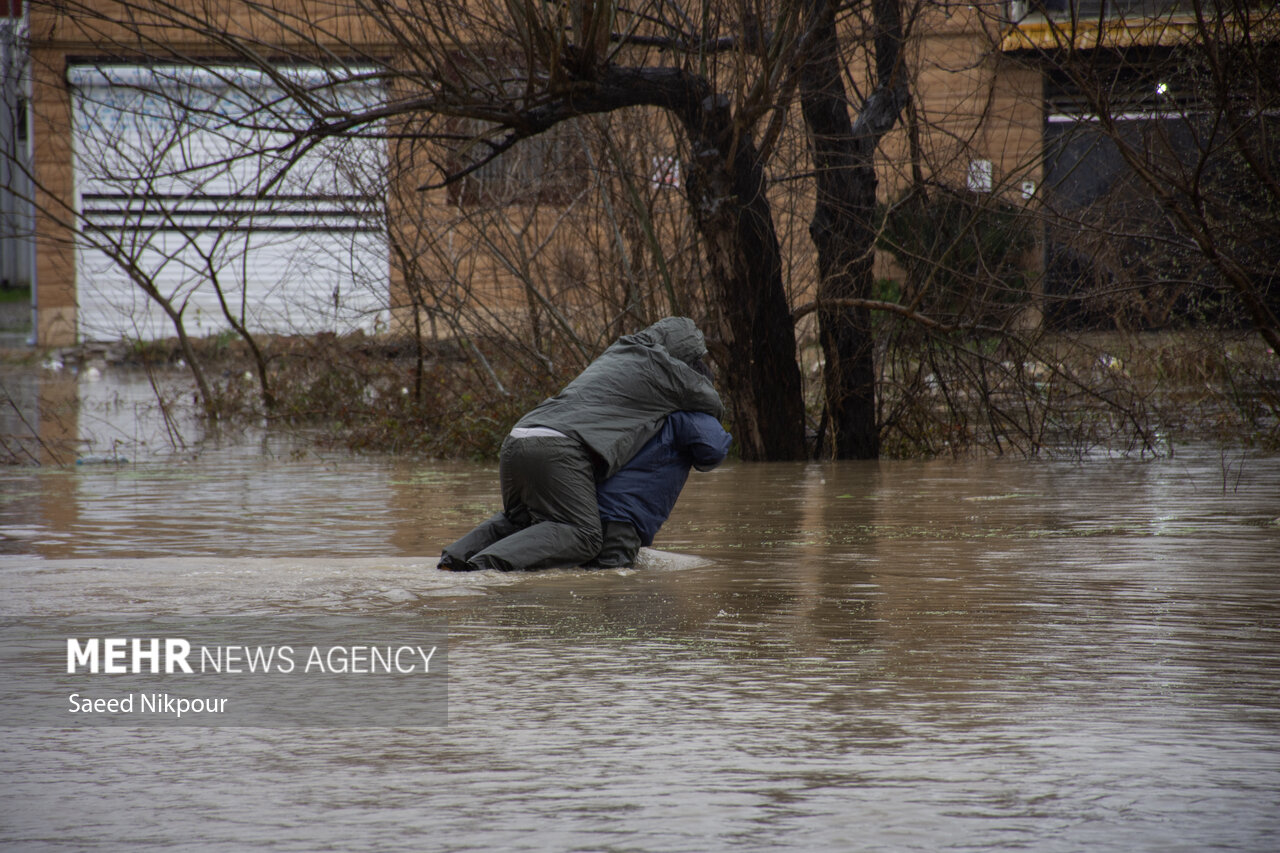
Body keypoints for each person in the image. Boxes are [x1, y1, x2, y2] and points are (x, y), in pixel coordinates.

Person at [439, 317, 723, 572]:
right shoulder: (670, 373)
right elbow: (709, 402)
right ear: (684, 354)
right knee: (584, 535)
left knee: (520, 521)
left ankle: (454, 560)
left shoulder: (621, 349)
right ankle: (484, 568)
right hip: (559, 448)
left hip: (520, 435)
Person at [588, 410, 732, 568]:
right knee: (614, 584)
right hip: (622, 517)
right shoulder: (688, 416)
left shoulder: (628, 409)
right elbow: (713, 451)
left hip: (587, 511)